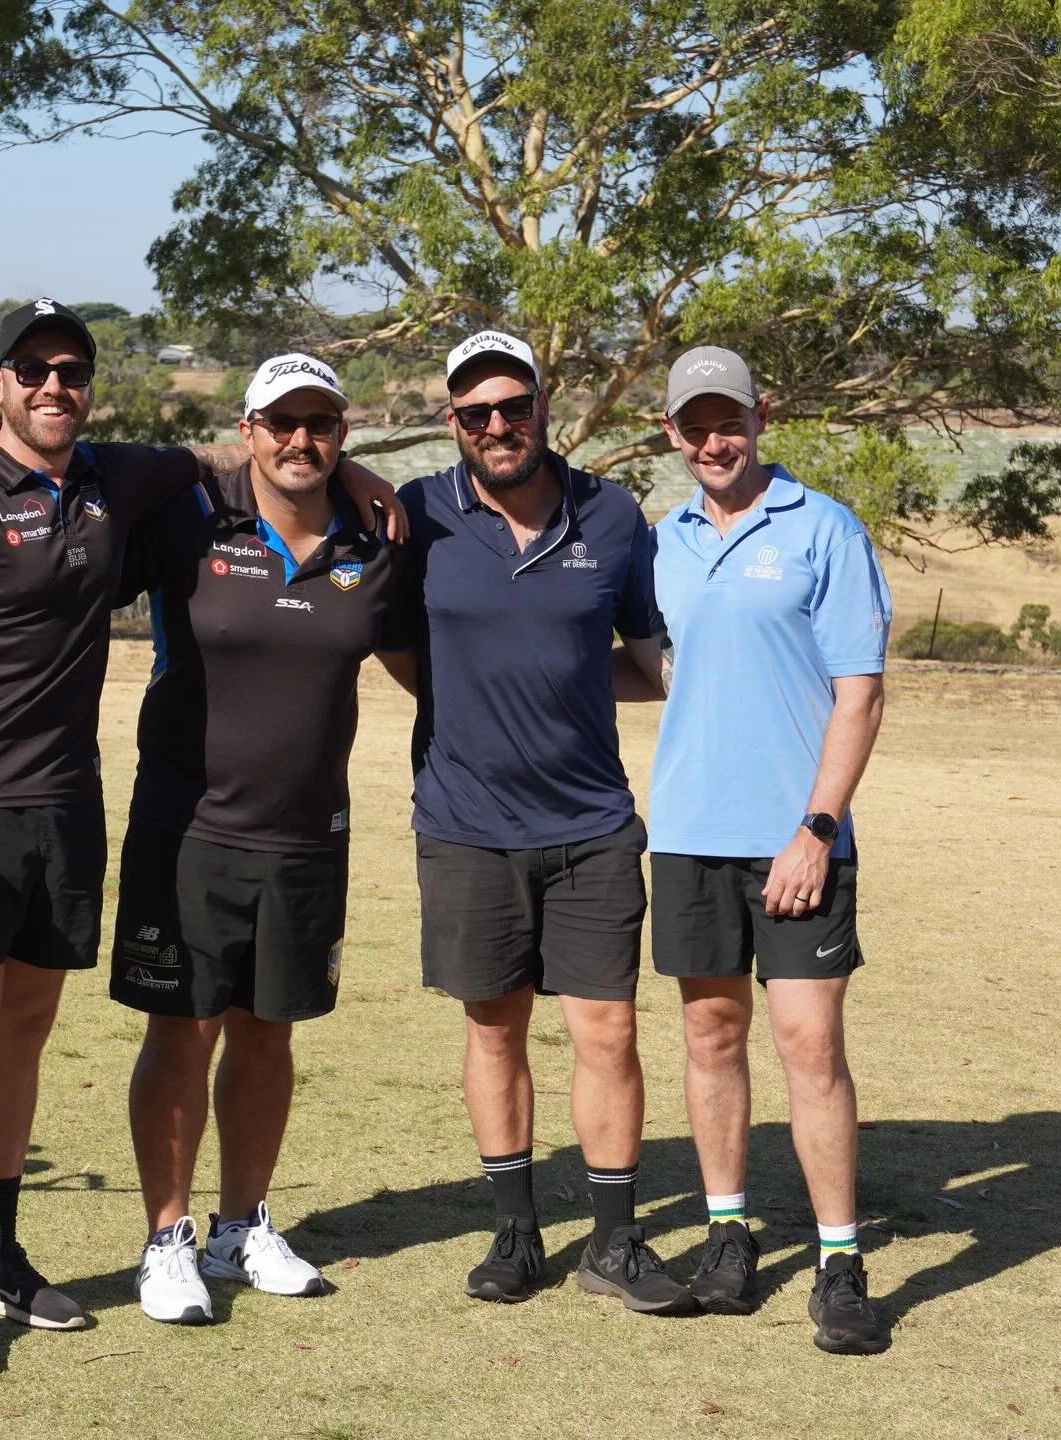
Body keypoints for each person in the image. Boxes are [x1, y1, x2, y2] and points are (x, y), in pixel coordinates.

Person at [0, 306, 398, 1376]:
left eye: (72, 371)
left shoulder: (116, 486)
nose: (54, 386)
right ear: (0, 382)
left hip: (66, 805)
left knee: (21, 1035)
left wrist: (355, 480)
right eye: (33, 370)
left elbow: (226, 454)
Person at [380, 331, 692, 1314]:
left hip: (591, 821)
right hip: (467, 823)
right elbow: (394, 645)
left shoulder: (611, 513)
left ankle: (614, 1241)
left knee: (607, 1028)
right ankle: (515, 1234)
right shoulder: (420, 512)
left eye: (514, 406)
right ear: (452, 423)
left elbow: (646, 665)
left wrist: (560, 688)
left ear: (544, 405)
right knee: (494, 1027)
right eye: (475, 412)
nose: (497, 425)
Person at [109, 354, 411, 1325]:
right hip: (187, 830)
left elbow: (428, 666)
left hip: (308, 836)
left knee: (268, 1030)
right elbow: (82, 464)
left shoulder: (374, 539)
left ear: (342, 433)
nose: (300, 439)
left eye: (319, 422)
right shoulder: (191, 514)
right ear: (247, 431)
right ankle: (168, 1241)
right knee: (182, 1031)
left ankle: (242, 1227)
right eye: (280, 422)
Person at [645, 344, 892, 1354]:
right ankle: (727, 1236)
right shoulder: (661, 542)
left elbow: (859, 692)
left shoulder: (825, 528)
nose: (715, 438)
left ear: (761, 417)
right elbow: (647, 660)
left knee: (809, 1047)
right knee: (710, 1039)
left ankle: (839, 1261)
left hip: (797, 841)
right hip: (691, 834)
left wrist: (817, 828)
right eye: (695, 424)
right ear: (671, 433)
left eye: (730, 418)